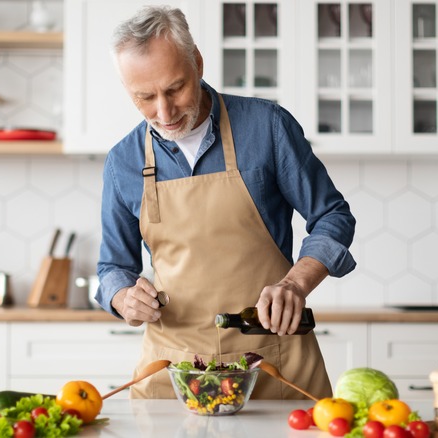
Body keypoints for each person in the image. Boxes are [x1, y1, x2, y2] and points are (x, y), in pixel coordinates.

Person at [96, 5, 356, 399]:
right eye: (144, 97)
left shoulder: (267, 127)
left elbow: (332, 216)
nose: (163, 112)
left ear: (197, 62)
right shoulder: (123, 161)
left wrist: (295, 285)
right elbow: (113, 266)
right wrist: (123, 297)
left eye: (175, 89)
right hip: (174, 371)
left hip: (274, 361)